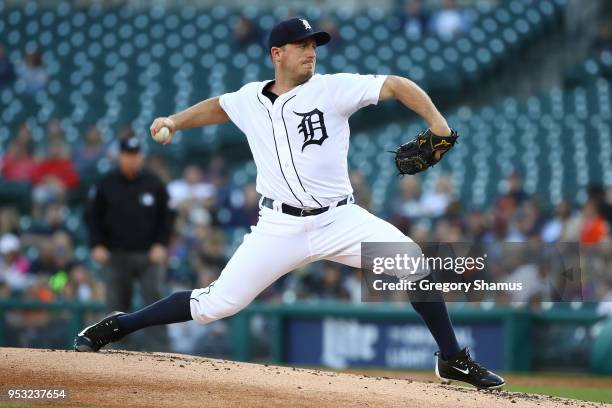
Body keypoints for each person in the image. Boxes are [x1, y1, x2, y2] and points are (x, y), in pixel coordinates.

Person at [74, 17, 504, 389]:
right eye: (301, 46)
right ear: (276, 53)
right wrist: (174, 121)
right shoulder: (249, 98)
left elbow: (395, 85)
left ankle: (451, 358)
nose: (311, 52)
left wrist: (437, 123)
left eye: (314, 45)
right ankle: (119, 324)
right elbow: (219, 107)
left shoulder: (333, 90)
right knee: (215, 306)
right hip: (278, 227)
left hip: (340, 218)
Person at [83, 136, 173, 351]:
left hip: (148, 255)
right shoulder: (105, 184)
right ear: (120, 156)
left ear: (141, 157)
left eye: (135, 155)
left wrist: (161, 243)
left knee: (155, 302)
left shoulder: (154, 183)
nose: (132, 159)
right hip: (116, 254)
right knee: (115, 305)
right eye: (128, 155)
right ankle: (116, 351)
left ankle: (159, 351)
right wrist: (97, 244)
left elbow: (167, 217)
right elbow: (92, 216)